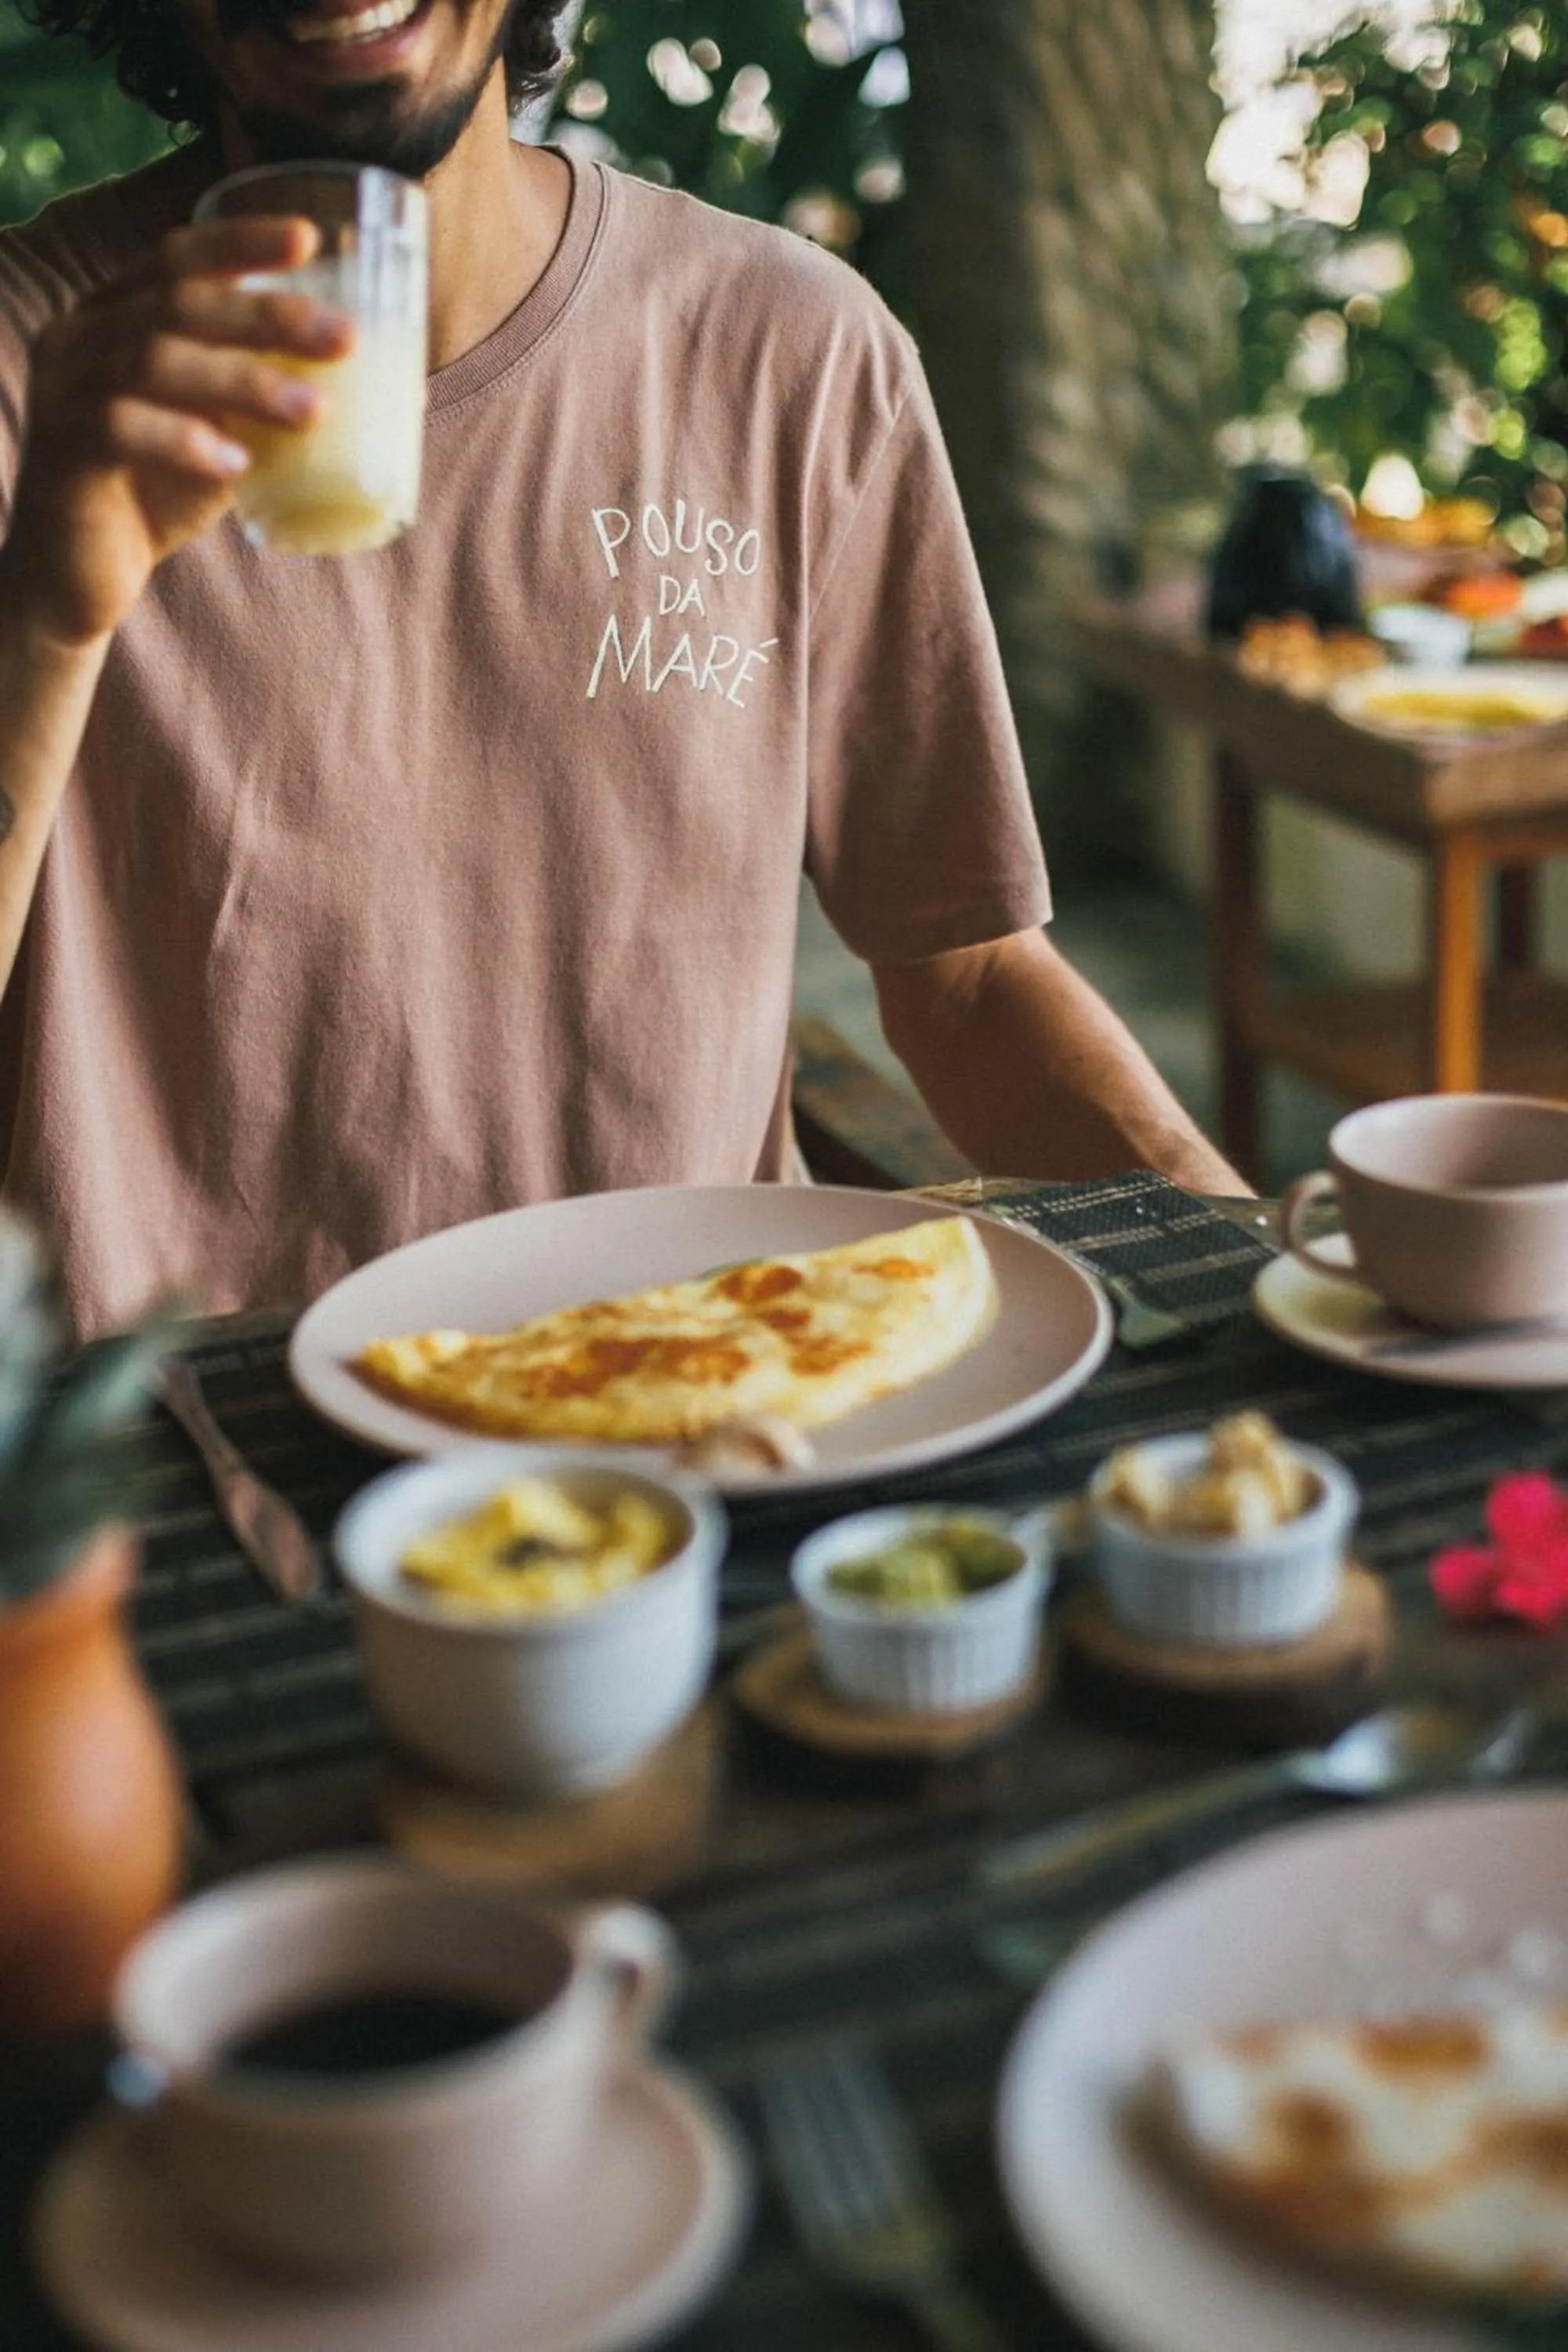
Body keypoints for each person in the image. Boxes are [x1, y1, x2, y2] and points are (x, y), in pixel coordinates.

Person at [0, 0, 1241, 1334]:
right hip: (170, 1471)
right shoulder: (36, 377)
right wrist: (48, 624)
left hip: (692, 1410)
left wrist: (1252, 1269)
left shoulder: (793, 353)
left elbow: (970, 975)